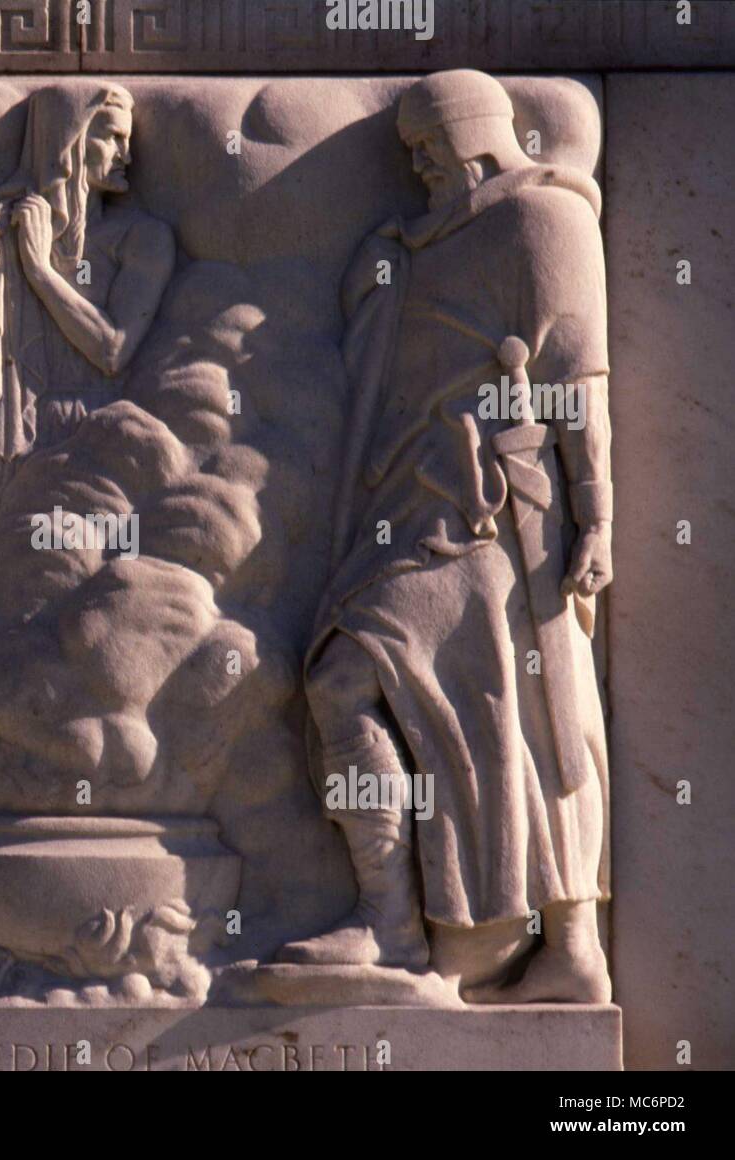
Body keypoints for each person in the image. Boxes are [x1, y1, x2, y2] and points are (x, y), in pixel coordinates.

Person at [282, 70, 613, 1003]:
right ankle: (406, 919)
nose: (420, 166)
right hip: (416, 503)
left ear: (472, 135)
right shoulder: (423, 242)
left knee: (526, 722)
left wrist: (601, 521)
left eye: (428, 148)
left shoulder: (543, 224)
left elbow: (576, 385)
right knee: (378, 688)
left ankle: (549, 943)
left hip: (493, 520)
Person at [0, 82, 175, 512]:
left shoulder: (143, 238)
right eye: (113, 137)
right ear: (70, 141)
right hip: (24, 449)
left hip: (97, 447)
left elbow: (112, 348)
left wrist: (41, 272)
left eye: (128, 140)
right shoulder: (12, 224)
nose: (128, 155)